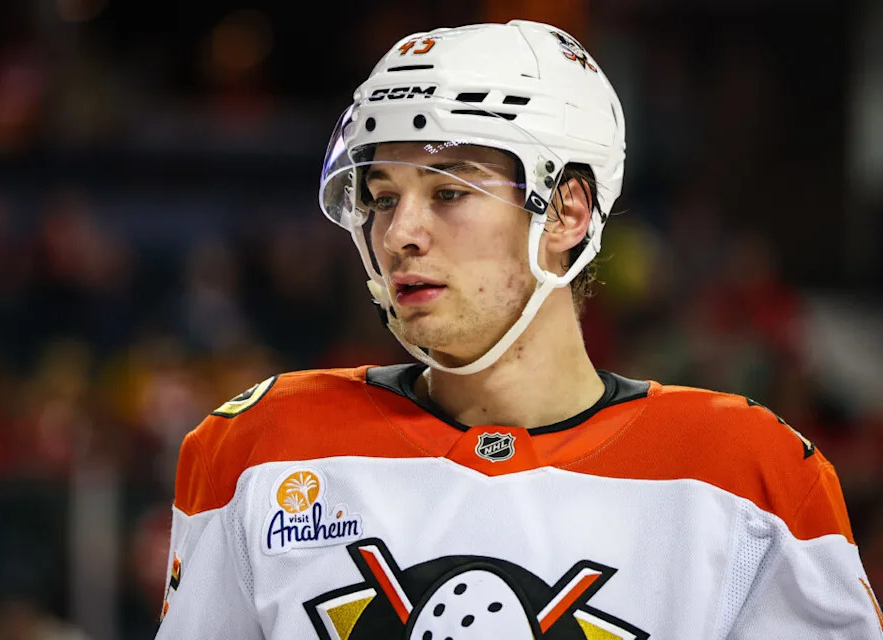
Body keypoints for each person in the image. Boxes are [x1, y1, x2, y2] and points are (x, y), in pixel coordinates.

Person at [155, 20, 883, 639]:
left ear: (567, 212)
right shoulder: (261, 449)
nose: (399, 233)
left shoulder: (747, 477)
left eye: (448, 192)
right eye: (381, 196)